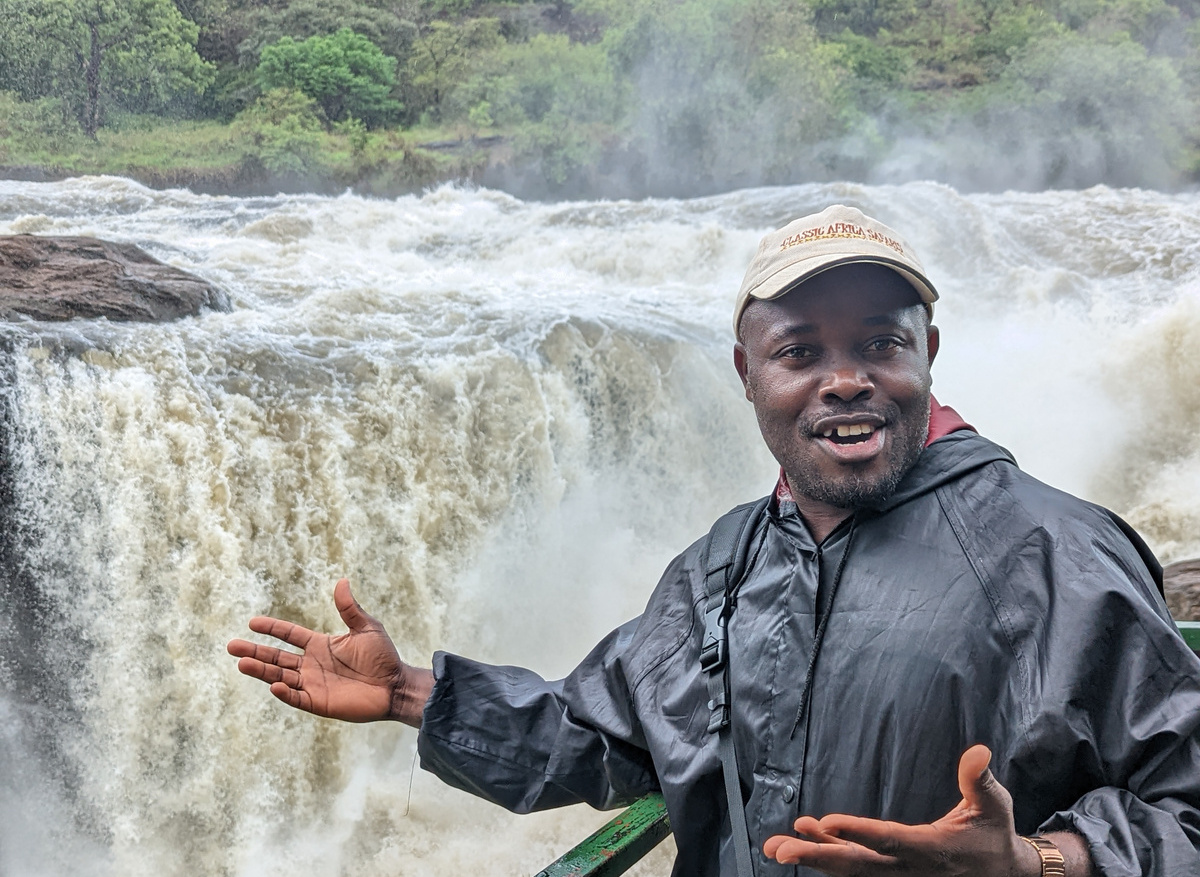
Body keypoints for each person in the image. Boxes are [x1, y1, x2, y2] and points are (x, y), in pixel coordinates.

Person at [228, 205, 1200, 877]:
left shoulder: (1056, 553)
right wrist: (410, 694)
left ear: (927, 355)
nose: (846, 378)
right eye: (800, 351)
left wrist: (1042, 858)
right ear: (747, 373)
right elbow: (603, 736)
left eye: (880, 342)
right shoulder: (723, 567)